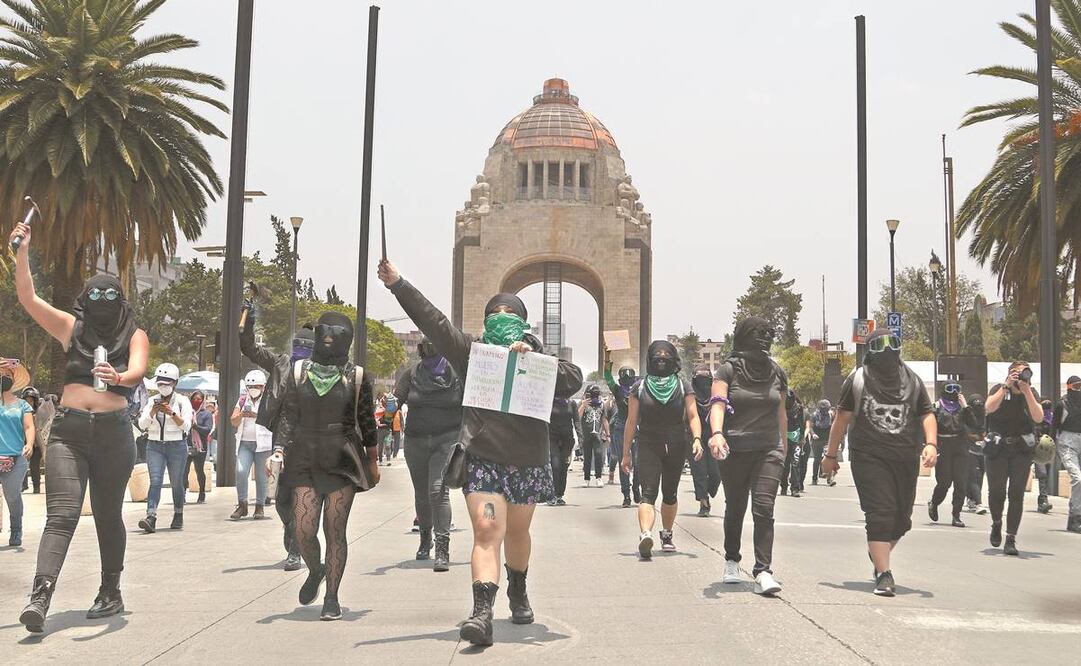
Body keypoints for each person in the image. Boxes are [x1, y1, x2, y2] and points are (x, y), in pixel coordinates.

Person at [379, 258, 582, 646]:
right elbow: (433, 321)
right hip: (484, 461)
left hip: (527, 462)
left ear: (524, 323)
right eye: (495, 314)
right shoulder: (471, 352)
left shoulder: (539, 357)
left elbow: (573, 380)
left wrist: (536, 357)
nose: (502, 319)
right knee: (488, 530)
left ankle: (517, 589)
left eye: (510, 315)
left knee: (518, 532)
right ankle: (481, 613)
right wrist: (398, 284)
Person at [12, 219, 149, 634]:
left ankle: (111, 591)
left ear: (122, 300)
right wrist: (21, 251)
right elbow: (28, 297)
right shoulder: (73, 328)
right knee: (61, 515)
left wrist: (119, 378)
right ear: (84, 300)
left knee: (108, 514)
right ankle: (41, 596)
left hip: (114, 433)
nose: (103, 300)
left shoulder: (134, 333)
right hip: (68, 434)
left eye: (111, 294)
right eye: (96, 294)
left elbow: (139, 370)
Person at [273, 312, 380, 620]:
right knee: (303, 529)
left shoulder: (358, 376)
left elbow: (367, 423)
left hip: (341, 456)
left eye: (336, 335)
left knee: (335, 530)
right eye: (325, 334)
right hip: (304, 453)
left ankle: (331, 597)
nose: (329, 339)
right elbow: (289, 416)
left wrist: (372, 461)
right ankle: (316, 569)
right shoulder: (298, 372)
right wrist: (278, 450)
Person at [821, 330, 936, 597]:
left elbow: (927, 413)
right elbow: (841, 418)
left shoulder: (913, 381)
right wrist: (830, 456)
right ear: (869, 351)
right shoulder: (858, 379)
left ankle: (878, 549)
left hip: (905, 456)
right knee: (880, 513)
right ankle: (884, 573)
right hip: (869, 456)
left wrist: (931, 443)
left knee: (901, 521)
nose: (886, 350)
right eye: (878, 345)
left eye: (892, 344)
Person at [709, 318, 786, 596]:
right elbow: (718, 403)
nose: (764, 339)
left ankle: (764, 571)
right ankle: (731, 560)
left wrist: (784, 448)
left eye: (769, 334)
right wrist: (717, 433)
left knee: (764, 507)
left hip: (768, 448)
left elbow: (781, 412)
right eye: (759, 334)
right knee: (736, 506)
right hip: (735, 449)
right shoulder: (727, 370)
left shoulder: (777, 371)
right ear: (744, 336)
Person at [241, 315, 316, 571]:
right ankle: (290, 528)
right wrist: (248, 322)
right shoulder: (280, 363)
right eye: (297, 345)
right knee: (282, 498)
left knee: (299, 497)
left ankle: (295, 550)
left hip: (308, 439)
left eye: (306, 348)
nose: (300, 351)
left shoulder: (319, 371)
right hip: (279, 438)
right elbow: (250, 349)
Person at [622, 340, 701, 559]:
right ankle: (645, 534)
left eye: (665, 356)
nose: (661, 360)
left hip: (677, 444)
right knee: (648, 492)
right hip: (648, 444)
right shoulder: (639, 387)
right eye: (657, 357)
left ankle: (666, 535)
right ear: (649, 360)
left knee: (670, 492)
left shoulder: (683, 385)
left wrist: (697, 438)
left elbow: (693, 415)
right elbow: (631, 421)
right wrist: (626, 453)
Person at [393, 337, 464, 571]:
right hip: (416, 441)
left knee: (437, 490)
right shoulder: (411, 374)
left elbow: (472, 403)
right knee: (422, 494)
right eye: (425, 347)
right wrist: (391, 404)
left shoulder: (457, 374)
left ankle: (442, 549)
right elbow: (398, 398)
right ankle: (425, 539)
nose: (429, 351)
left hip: (446, 439)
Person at [983, 361, 1043, 556]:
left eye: (1024, 372)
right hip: (998, 449)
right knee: (997, 492)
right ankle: (996, 522)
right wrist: (1005, 386)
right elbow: (989, 408)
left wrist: (1027, 392)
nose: (1021, 376)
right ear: (1009, 374)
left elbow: (1039, 417)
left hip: (1021, 450)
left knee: (1017, 494)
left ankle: (1011, 538)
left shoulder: (1031, 393)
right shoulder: (999, 389)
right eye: (1016, 372)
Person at [136, 364, 192, 533]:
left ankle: (178, 513)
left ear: (174, 383)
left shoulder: (182, 401)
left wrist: (172, 413)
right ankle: (151, 516)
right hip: (154, 445)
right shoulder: (152, 401)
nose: (163, 386)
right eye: (160, 383)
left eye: (167, 383)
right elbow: (142, 424)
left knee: (176, 483)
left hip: (177, 446)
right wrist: (152, 412)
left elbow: (187, 426)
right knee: (155, 481)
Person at [927, 383, 976, 528]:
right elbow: (928, 426)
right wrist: (930, 446)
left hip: (960, 445)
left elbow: (974, 424)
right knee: (944, 482)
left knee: (960, 483)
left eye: (957, 389)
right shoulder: (936, 406)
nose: (954, 392)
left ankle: (956, 515)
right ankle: (934, 503)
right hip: (943, 445)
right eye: (950, 389)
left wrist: (966, 406)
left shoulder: (962, 407)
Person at [230, 370, 273, 520]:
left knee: (262, 477)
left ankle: (260, 507)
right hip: (245, 443)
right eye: (250, 386)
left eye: (257, 386)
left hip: (263, 444)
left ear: (263, 386)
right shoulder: (242, 400)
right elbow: (233, 421)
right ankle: (242, 505)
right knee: (241, 471)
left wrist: (257, 416)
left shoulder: (269, 400)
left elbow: (274, 421)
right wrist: (242, 414)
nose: (253, 389)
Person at [0, 362, 34, 547]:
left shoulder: (22, 405)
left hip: (15, 458)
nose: (3, 377)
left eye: (7, 374)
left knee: (12, 496)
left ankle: (16, 529)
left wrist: (29, 444)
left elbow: (29, 426)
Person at [604, 353, 641, 507]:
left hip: (638, 430)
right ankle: (626, 495)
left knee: (638, 462)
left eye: (629, 374)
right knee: (623, 462)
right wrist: (607, 359)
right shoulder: (617, 390)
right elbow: (607, 377)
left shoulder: (639, 389)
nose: (627, 377)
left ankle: (636, 488)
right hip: (620, 428)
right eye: (624, 374)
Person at [689, 365, 720, 516]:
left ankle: (709, 491)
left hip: (713, 436)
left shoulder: (716, 395)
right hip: (695, 437)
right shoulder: (689, 395)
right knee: (699, 471)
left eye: (705, 380)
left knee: (716, 473)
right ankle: (703, 502)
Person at [1053, 375, 1081, 533]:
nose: (1079, 389)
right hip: (1067, 441)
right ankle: (1076, 516)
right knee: (1078, 479)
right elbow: (1054, 426)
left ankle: (1074, 517)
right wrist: (1049, 445)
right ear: (1069, 387)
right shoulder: (1062, 404)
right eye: (1076, 386)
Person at [547, 392, 579, 506]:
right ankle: (553, 494)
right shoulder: (549, 401)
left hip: (567, 440)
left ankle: (560, 495)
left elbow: (576, 420)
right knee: (555, 466)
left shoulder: (572, 403)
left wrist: (581, 437)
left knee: (563, 467)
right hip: (552, 438)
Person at [185, 390, 214, 504]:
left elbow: (207, 430)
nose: (196, 401)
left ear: (202, 400)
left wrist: (195, 427)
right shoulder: (187, 412)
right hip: (186, 444)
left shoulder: (206, 414)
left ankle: (202, 492)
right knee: (184, 471)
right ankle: (182, 493)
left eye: (199, 399)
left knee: (199, 470)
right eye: (194, 399)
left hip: (200, 447)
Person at [579, 385, 609, 488]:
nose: (594, 396)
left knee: (598, 456)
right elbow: (578, 416)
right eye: (592, 394)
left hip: (598, 435)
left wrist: (608, 434)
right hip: (586, 435)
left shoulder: (602, 405)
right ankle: (586, 479)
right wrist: (583, 405)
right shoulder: (583, 404)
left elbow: (604, 420)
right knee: (587, 457)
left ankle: (598, 478)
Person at [964, 394, 989, 514]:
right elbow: (967, 432)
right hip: (969, 450)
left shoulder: (986, 417)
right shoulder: (966, 416)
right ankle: (979, 503)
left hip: (983, 451)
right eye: (976, 404)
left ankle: (971, 498)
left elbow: (986, 432)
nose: (979, 407)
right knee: (973, 476)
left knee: (979, 477)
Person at [19, 387, 44, 494]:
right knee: (22, 464)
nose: (29, 402)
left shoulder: (40, 412)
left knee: (34, 466)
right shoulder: (20, 412)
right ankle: (23, 485)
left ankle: (36, 486)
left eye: (31, 400)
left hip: (37, 444)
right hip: (24, 442)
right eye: (27, 400)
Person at [1032, 399, 1055, 514]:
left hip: (1048, 450)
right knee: (1042, 474)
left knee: (1045, 475)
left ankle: (1042, 501)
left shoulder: (1052, 418)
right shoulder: (1036, 418)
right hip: (1036, 450)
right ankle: (1043, 500)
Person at [780, 390, 805, 498]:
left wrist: (802, 438)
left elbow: (801, 423)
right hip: (783, 438)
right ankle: (784, 486)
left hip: (795, 438)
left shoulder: (798, 408)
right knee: (784, 465)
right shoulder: (780, 407)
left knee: (795, 463)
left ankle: (795, 488)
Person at [807, 399, 834, 486]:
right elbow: (810, 427)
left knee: (829, 459)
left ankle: (829, 479)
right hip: (817, 440)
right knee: (817, 459)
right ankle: (814, 479)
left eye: (826, 408)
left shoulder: (830, 415)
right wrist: (813, 434)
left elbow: (834, 426)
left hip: (827, 440)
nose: (825, 410)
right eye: (823, 409)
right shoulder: (814, 415)